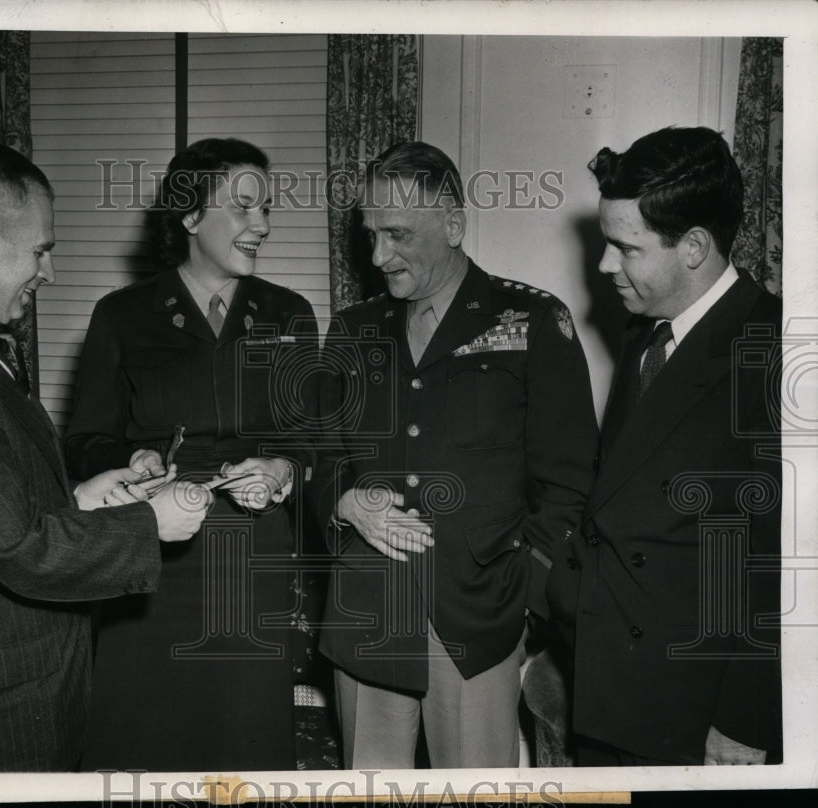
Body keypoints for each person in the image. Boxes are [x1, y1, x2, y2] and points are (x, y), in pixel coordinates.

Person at [0, 137, 210, 772]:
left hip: (19, 694)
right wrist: (149, 523)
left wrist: (83, 497)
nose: (48, 271)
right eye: (41, 250)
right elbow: (17, 548)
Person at [312, 141, 599, 768]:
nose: (378, 256)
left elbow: (570, 481)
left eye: (398, 234)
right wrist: (344, 500)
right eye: (371, 235)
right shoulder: (354, 329)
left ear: (452, 225)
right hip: (369, 609)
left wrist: (528, 597)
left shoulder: (531, 320)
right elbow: (321, 455)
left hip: (478, 617)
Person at [65, 137, 319, 771]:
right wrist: (134, 460)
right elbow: (84, 438)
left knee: (245, 740)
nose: (262, 225)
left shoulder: (290, 314)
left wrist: (284, 469)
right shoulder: (121, 315)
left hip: (251, 558)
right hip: (150, 556)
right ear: (190, 214)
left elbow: (312, 437)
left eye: (266, 209)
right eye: (243, 207)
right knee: (140, 741)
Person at [546, 126, 783, 765]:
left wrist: (744, 722)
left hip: (694, 710)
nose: (604, 265)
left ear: (695, 247)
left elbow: (784, 566)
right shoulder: (646, 332)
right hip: (608, 680)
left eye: (626, 247)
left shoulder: (776, 350)